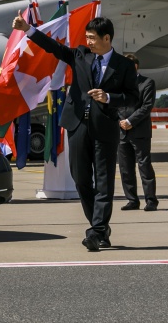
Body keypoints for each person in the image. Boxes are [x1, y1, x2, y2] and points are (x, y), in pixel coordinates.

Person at [13, 14, 137, 250]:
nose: (88, 41)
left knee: (104, 182)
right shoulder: (80, 55)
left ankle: (96, 231)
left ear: (107, 38)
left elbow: (133, 98)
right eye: (87, 37)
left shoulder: (124, 65)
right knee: (81, 180)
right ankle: (100, 228)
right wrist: (28, 29)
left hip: (105, 129)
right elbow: (54, 47)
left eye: (92, 38)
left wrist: (109, 97)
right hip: (78, 126)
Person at [117, 53, 157, 212]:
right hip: (122, 132)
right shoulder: (120, 85)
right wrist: (121, 121)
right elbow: (115, 105)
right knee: (125, 169)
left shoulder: (147, 83)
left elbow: (146, 107)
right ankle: (132, 200)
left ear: (135, 67)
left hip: (139, 131)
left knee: (144, 166)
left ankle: (151, 201)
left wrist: (130, 121)